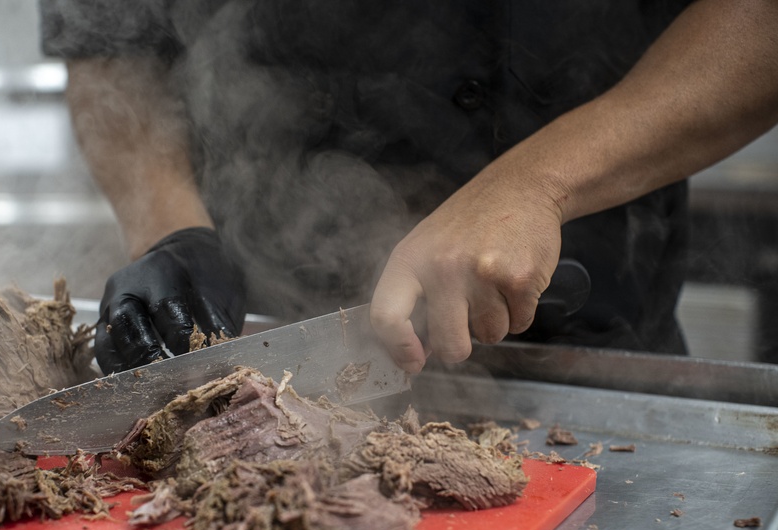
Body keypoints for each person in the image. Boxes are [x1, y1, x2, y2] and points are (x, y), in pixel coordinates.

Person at [39, 0, 778, 376]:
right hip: (258, 346)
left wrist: (539, 184)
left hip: (595, 355)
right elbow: (109, 37)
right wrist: (170, 226)